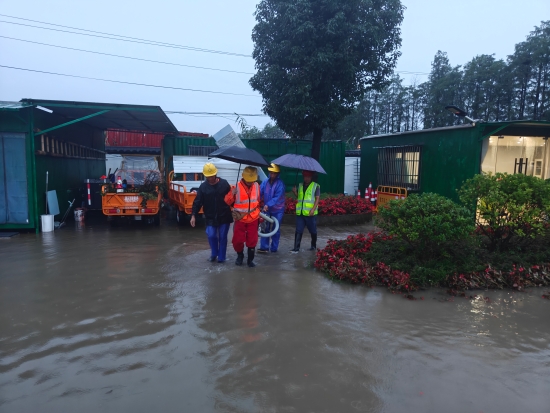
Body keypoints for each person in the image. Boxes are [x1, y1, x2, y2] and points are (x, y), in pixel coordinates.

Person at [190, 163, 233, 263]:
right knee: (211, 235)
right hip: (210, 216)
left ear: (215, 174)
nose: (210, 178)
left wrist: (234, 197)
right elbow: (198, 201)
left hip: (224, 215)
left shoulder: (224, 184)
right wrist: (193, 215)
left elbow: (231, 199)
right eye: (208, 176)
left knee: (223, 237)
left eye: (212, 176)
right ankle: (214, 253)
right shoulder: (203, 187)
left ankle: (221, 258)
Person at [224, 166, 261, 267]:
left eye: (252, 180)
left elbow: (258, 201)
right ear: (243, 177)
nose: (250, 182)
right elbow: (227, 201)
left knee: (252, 240)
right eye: (248, 180)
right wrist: (232, 194)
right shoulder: (235, 187)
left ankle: (250, 260)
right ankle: (240, 256)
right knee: (238, 240)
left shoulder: (257, 186)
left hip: (253, 218)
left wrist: (260, 212)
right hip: (240, 219)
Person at [258, 163, 286, 253]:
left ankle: (274, 248)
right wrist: (256, 202)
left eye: (274, 173)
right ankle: (264, 247)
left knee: (275, 229)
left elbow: (276, 198)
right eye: (271, 172)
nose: (272, 175)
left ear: (277, 174)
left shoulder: (280, 184)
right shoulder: (265, 182)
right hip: (267, 209)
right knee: (264, 227)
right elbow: (260, 193)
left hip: (278, 210)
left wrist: (267, 204)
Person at [291, 170, 320, 252]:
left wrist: (313, 209)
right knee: (298, 230)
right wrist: (295, 193)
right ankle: (296, 248)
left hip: (310, 213)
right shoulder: (300, 185)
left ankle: (313, 246)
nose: (306, 179)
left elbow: (317, 199)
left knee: (313, 230)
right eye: (305, 177)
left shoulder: (315, 186)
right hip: (300, 212)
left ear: (311, 177)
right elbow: (300, 198)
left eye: (308, 177)